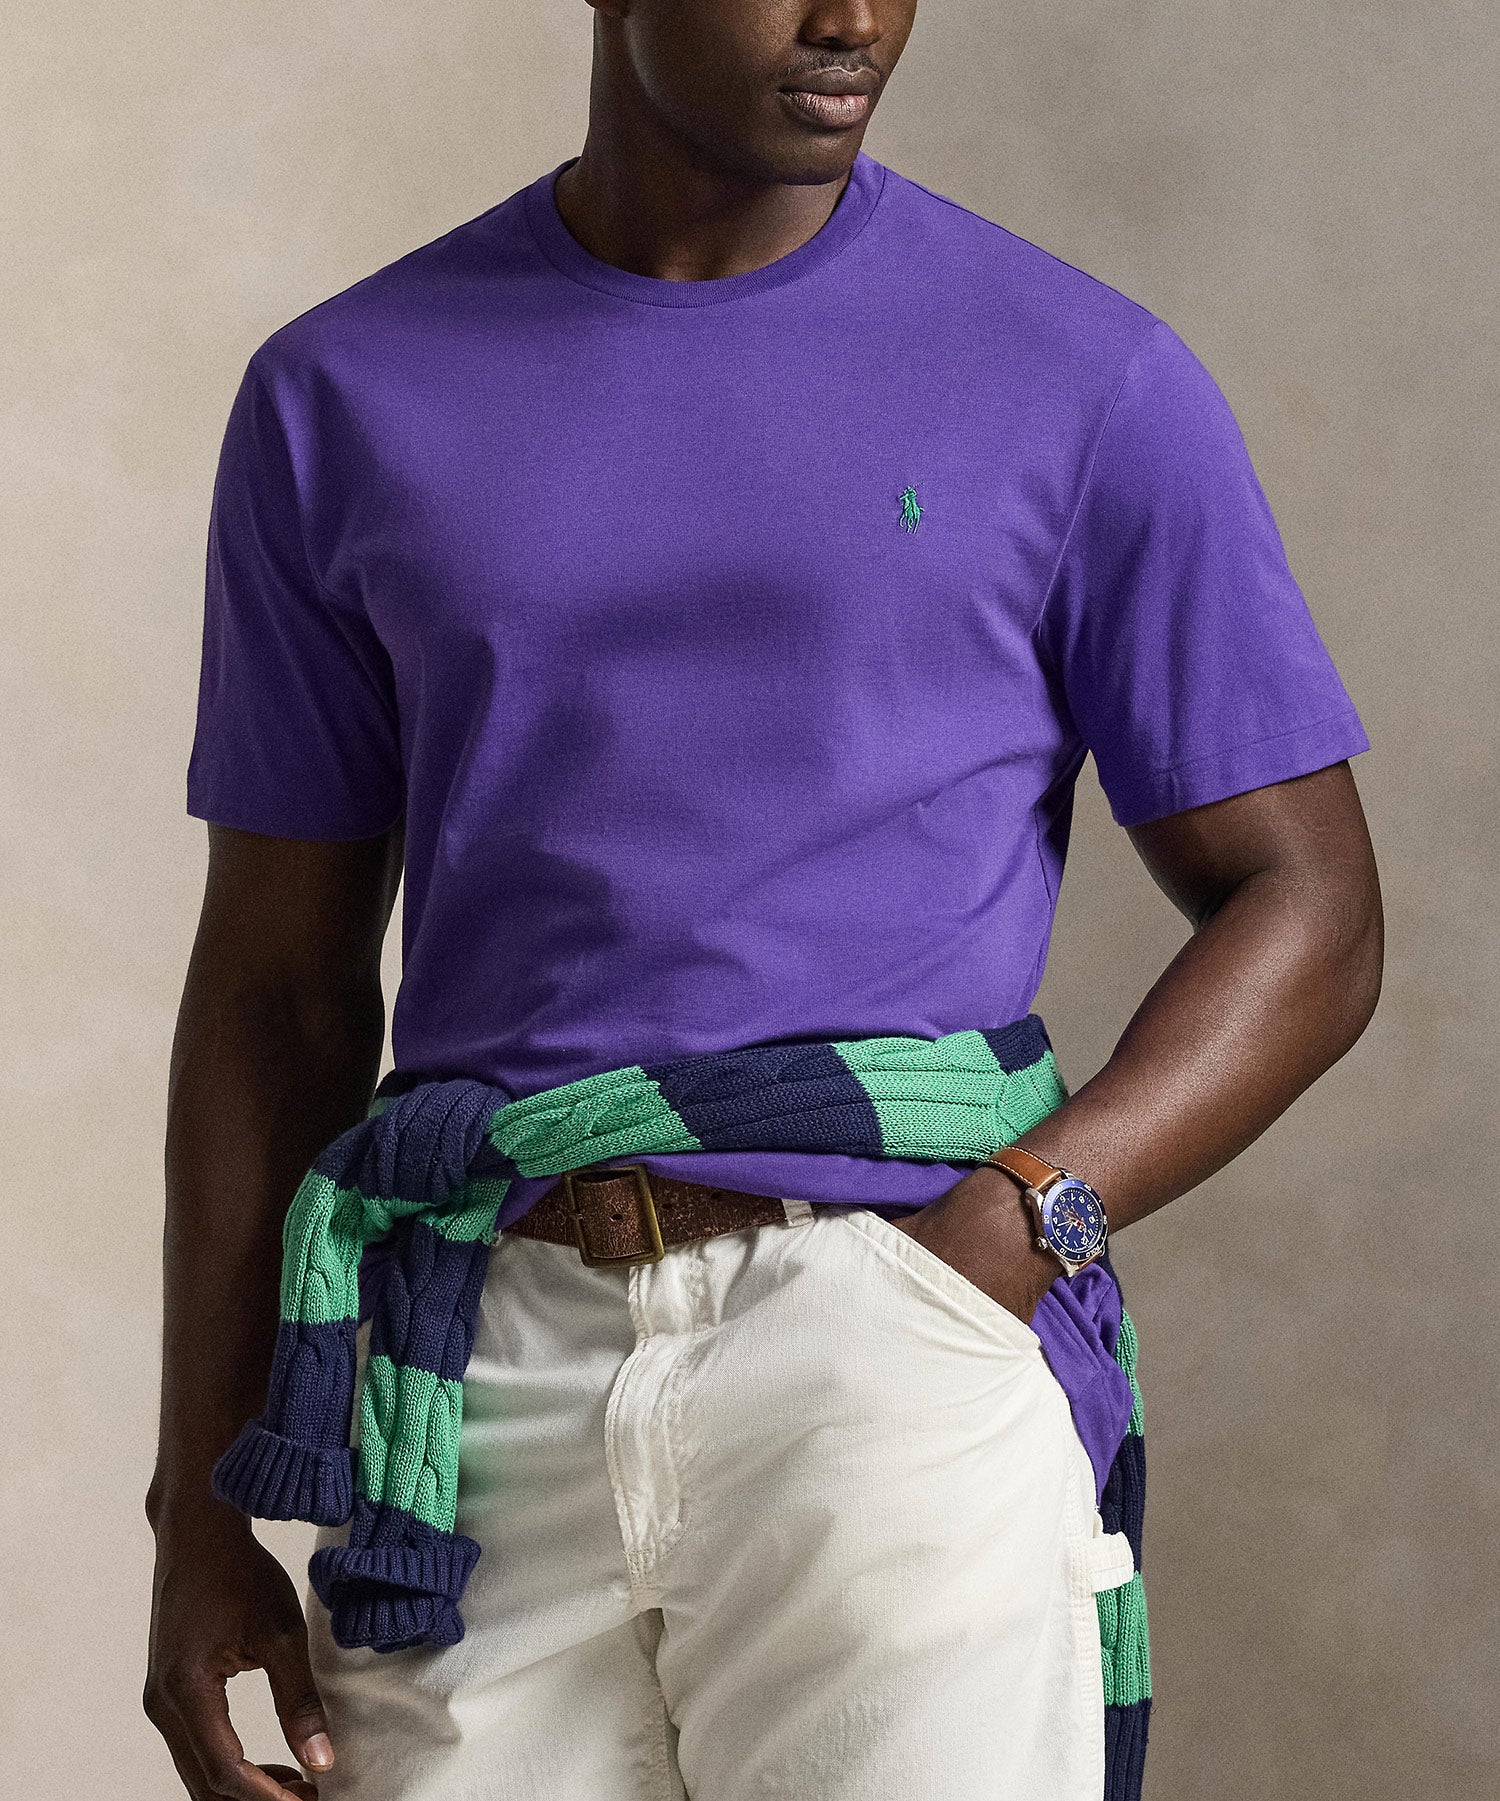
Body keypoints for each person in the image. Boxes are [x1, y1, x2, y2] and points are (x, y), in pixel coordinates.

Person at [144, 2, 1382, 1798]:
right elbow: (278, 988)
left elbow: (1312, 907)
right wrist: (195, 1507)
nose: (855, 17)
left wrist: (1016, 1230)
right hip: (468, 1386)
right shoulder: (345, 391)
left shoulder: (1079, 375)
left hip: (892, 1333)